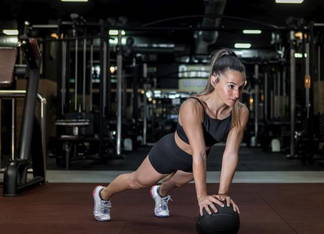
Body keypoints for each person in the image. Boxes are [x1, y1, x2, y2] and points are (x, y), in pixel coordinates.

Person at [92, 48, 249, 221]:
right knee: (137, 181)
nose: (236, 94)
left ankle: (160, 193)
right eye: (231, 86)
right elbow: (199, 152)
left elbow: (231, 153)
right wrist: (202, 197)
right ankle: (103, 194)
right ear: (214, 80)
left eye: (241, 87)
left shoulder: (240, 111)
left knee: (175, 183)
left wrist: (223, 193)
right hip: (170, 152)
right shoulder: (193, 106)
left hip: (193, 162)